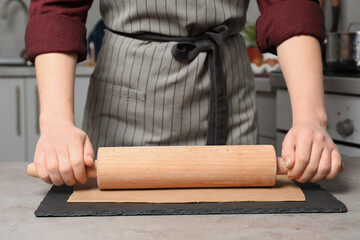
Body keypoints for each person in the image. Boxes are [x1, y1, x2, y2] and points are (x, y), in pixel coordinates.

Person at [25, 0, 343, 187]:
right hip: (125, 96)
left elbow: (291, 5)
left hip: (228, 94)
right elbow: (57, 9)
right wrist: (55, 123)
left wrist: (310, 118)